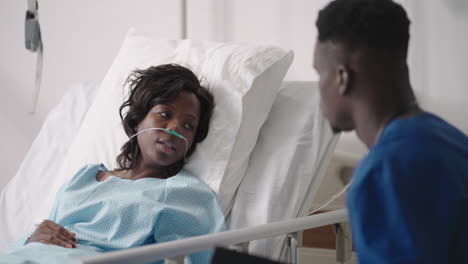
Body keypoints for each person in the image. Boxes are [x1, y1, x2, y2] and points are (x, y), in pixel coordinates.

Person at [1, 64, 225, 263]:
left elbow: (198, 258)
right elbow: (48, 234)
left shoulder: (185, 193)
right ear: (138, 120)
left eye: (188, 126)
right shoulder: (84, 177)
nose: (175, 127)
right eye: (164, 113)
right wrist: (31, 239)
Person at [313, 0, 468, 263]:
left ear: (342, 78)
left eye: (319, 73)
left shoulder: (383, 173)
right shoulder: (454, 142)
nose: (318, 88)